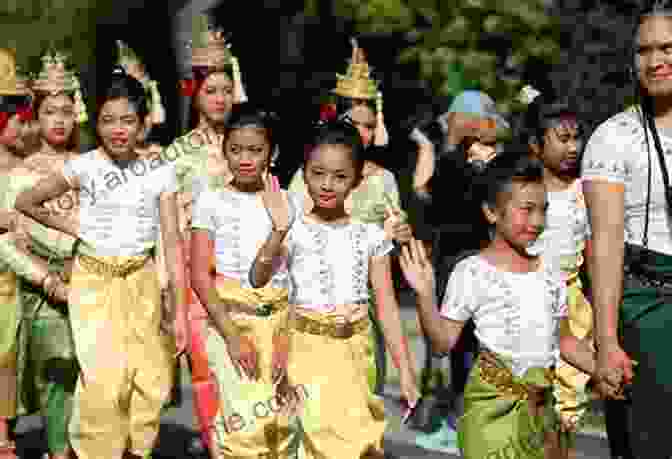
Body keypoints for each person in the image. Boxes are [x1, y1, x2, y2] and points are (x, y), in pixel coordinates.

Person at [14, 66, 182, 459]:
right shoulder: (85, 166)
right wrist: (71, 224)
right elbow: (26, 202)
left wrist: (179, 308)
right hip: (93, 284)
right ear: (96, 122)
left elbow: (171, 241)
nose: (117, 129)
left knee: (151, 385)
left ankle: (133, 452)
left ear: (143, 124)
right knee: (104, 384)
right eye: (108, 120)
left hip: (141, 281)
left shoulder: (159, 169)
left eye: (127, 120)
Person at [404, 150, 605, 458]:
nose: (537, 221)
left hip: (541, 415)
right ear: (491, 212)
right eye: (527, 209)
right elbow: (443, 343)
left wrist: (602, 369)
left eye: (543, 210)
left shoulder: (550, 272)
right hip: (490, 414)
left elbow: (565, 342)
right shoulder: (472, 271)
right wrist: (425, 295)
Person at [252, 120, 420, 458]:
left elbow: (386, 307)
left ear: (357, 180)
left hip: (356, 356)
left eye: (340, 176)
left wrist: (405, 371)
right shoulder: (293, 229)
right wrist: (278, 232)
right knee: (314, 445)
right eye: (318, 173)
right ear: (305, 173)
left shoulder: (370, 235)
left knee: (359, 444)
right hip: (304, 353)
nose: (327, 184)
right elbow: (258, 276)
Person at [289, 38, 413, 396]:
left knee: (361, 402)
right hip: (310, 305)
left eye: (370, 125)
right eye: (354, 122)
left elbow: (393, 244)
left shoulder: (383, 180)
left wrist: (400, 235)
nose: (363, 132)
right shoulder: (307, 177)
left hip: (364, 305)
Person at [581, 1, 672, 456]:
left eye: (667, 48)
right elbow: (606, 244)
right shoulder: (613, 137)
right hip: (645, 306)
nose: (654, 62)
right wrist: (606, 342)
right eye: (644, 50)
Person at [189, 102, 303, 457]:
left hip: (282, 325)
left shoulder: (289, 201)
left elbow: (299, 277)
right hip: (232, 323)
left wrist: (288, 339)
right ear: (224, 149)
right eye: (235, 149)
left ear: (273, 153)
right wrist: (232, 335)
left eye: (255, 150)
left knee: (282, 428)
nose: (244, 159)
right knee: (245, 427)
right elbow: (199, 274)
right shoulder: (211, 201)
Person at [165, 12, 253, 455]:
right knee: (205, 369)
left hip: (247, 277)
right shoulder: (177, 156)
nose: (219, 99)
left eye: (225, 90)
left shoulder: (250, 145)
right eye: (210, 90)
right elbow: (169, 230)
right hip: (198, 276)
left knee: (248, 370)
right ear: (193, 92)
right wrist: (172, 294)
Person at [406, 90, 507, 446]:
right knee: (470, 348)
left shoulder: (458, 164)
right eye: (481, 139)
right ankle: (467, 420)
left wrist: (427, 149)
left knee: (465, 348)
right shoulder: (471, 168)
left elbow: (422, 192)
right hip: (467, 265)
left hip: (462, 266)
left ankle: (462, 417)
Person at [0, 48, 88, 459]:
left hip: (95, 281)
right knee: (60, 373)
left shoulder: (95, 167)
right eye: (50, 111)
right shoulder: (19, 173)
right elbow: (7, 243)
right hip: (46, 292)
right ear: (36, 115)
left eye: (66, 111)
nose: (59, 120)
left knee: (100, 380)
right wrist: (48, 279)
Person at [521, 88, 593, 453]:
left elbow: (595, 254)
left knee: (566, 405)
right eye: (562, 138)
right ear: (536, 145)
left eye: (577, 137)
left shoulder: (586, 192)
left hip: (573, 307)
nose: (572, 147)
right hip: (527, 304)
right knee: (529, 399)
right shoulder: (525, 193)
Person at [0, 47, 33, 459]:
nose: (22, 126)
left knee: (9, 350)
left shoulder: (27, 167)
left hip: (14, 276)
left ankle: (5, 428)